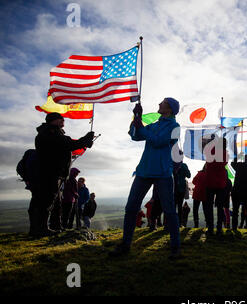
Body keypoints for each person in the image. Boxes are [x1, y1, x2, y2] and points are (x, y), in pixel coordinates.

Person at [109, 98, 181, 260]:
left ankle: (175, 247)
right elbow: (135, 136)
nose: (158, 104)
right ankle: (125, 244)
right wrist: (136, 118)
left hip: (163, 173)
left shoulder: (175, 127)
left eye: (162, 102)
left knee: (169, 211)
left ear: (169, 108)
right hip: (144, 171)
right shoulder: (155, 125)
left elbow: (158, 141)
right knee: (131, 208)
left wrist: (141, 126)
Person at [31, 112, 94, 237]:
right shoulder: (50, 133)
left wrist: (85, 140)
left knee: (53, 201)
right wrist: (85, 140)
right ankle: (40, 229)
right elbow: (69, 144)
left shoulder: (51, 132)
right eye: (60, 119)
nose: (62, 120)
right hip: (50, 173)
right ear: (52, 121)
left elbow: (67, 144)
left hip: (53, 173)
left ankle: (53, 226)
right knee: (46, 201)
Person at [204, 136, 228, 236]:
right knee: (220, 206)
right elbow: (225, 163)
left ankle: (210, 228)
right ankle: (219, 228)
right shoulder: (225, 153)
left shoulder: (211, 150)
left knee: (209, 206)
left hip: (210, 181)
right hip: (221, 182)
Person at [173, 153, 191, 224]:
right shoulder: (184, 166)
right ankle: (180, 223)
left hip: (173, 188)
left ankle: (170, 223)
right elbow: (189, 175)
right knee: (180, 206)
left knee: (173, 206)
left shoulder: (172, 165)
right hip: (181, 188)